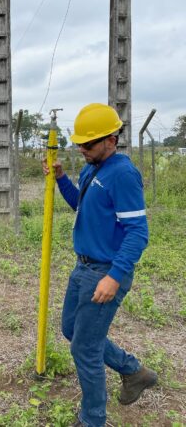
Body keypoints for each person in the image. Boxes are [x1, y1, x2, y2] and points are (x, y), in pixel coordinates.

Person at [43, 103, 157, 427]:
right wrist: (63, 179)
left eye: (88, 144)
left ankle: (93, 419)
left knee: (84, 349)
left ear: (111, 139)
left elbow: (138, 233)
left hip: (104, 272)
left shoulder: (122, 173)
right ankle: (134, 371)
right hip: (83, 267)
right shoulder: (92, 168)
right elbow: (80, 204)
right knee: (70, 329)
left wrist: (114, 276)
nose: (82, 149)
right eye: (79, 143)